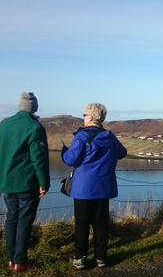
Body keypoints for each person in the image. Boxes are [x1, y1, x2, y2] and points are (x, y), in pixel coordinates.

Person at [61, 103, 127, 269]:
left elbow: (70, 160)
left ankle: (80, 258)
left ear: (90, 117)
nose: (83, 117)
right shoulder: (109, 136)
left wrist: (64, 151)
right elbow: (122, 153)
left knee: (82, 223)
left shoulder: (82, 137)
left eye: (84, 115)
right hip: (104, 186)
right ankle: (101, 258)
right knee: (101, 222)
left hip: (84, 188)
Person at [0, 92, 50, 272]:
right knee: (24, 221)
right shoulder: (34, 127)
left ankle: (11, 259)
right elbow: (39, 159)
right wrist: (44, 182)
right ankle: (20, 262)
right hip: (26, 182)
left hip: (7, 182)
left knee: (11, 218)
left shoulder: (3, 125)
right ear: (34, 108)